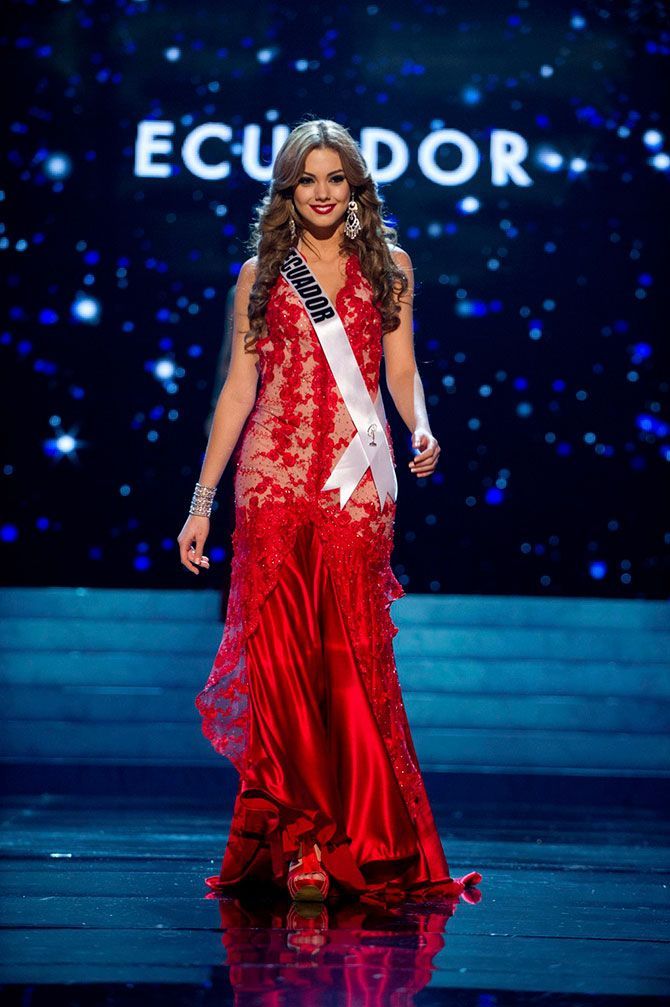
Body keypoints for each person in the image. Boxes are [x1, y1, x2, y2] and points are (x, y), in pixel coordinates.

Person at [178, 118, 482, 904]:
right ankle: (300, 843)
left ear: (355, 187)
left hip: (355, 486)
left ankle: (361, 836)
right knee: (280, 669)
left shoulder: (392, 267)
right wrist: (203, 500)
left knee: (349, 666)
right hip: (272, 484)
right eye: (306, 180)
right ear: (288, 190)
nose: (320, 192)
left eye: (334, 178)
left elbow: (403, 369)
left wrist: (422, 426)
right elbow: (238, 391)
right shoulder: (261, 273)